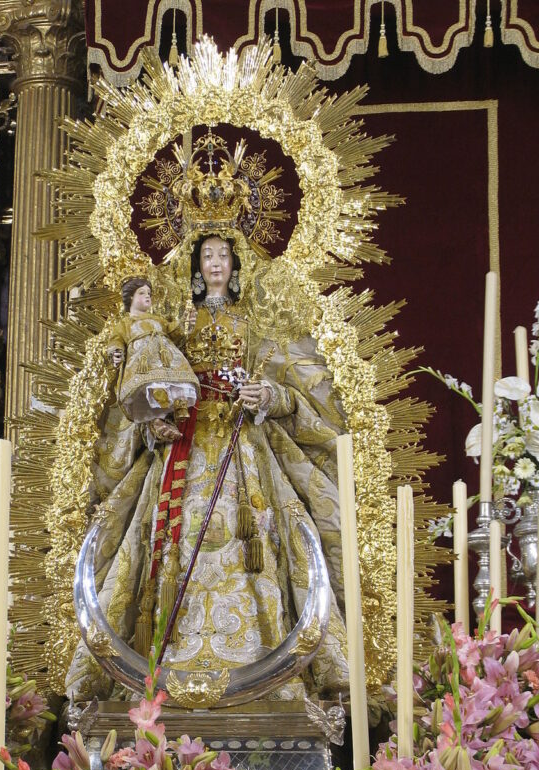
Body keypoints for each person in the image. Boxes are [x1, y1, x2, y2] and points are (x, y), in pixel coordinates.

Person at [67, 235, 349, 699]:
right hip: (186, 447)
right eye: (206, 256)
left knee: (265, 536)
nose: (215, 263)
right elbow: (149, 387)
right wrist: (153, 422)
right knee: (164, 539)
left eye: (223, 255)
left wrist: (269, 396)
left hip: (246, 448)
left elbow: (302, 397)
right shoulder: (175, 324)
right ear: (196, 268)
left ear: (236, 264)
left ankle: (264, 661)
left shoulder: (257, 327)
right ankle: (164, 659)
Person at [108, 277, 199, 427]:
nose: (147, 296)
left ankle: (180, 404)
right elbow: (116, 339)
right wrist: (116, 352)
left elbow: (173, 330)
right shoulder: (125, 323)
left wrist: (185, 321)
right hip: (143, 358)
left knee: (178, 379)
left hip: (166, 355)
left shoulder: (159, 320)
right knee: (151, 379)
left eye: (149, 293)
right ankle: (158, 397)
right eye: (142, 293)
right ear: (131, 297)